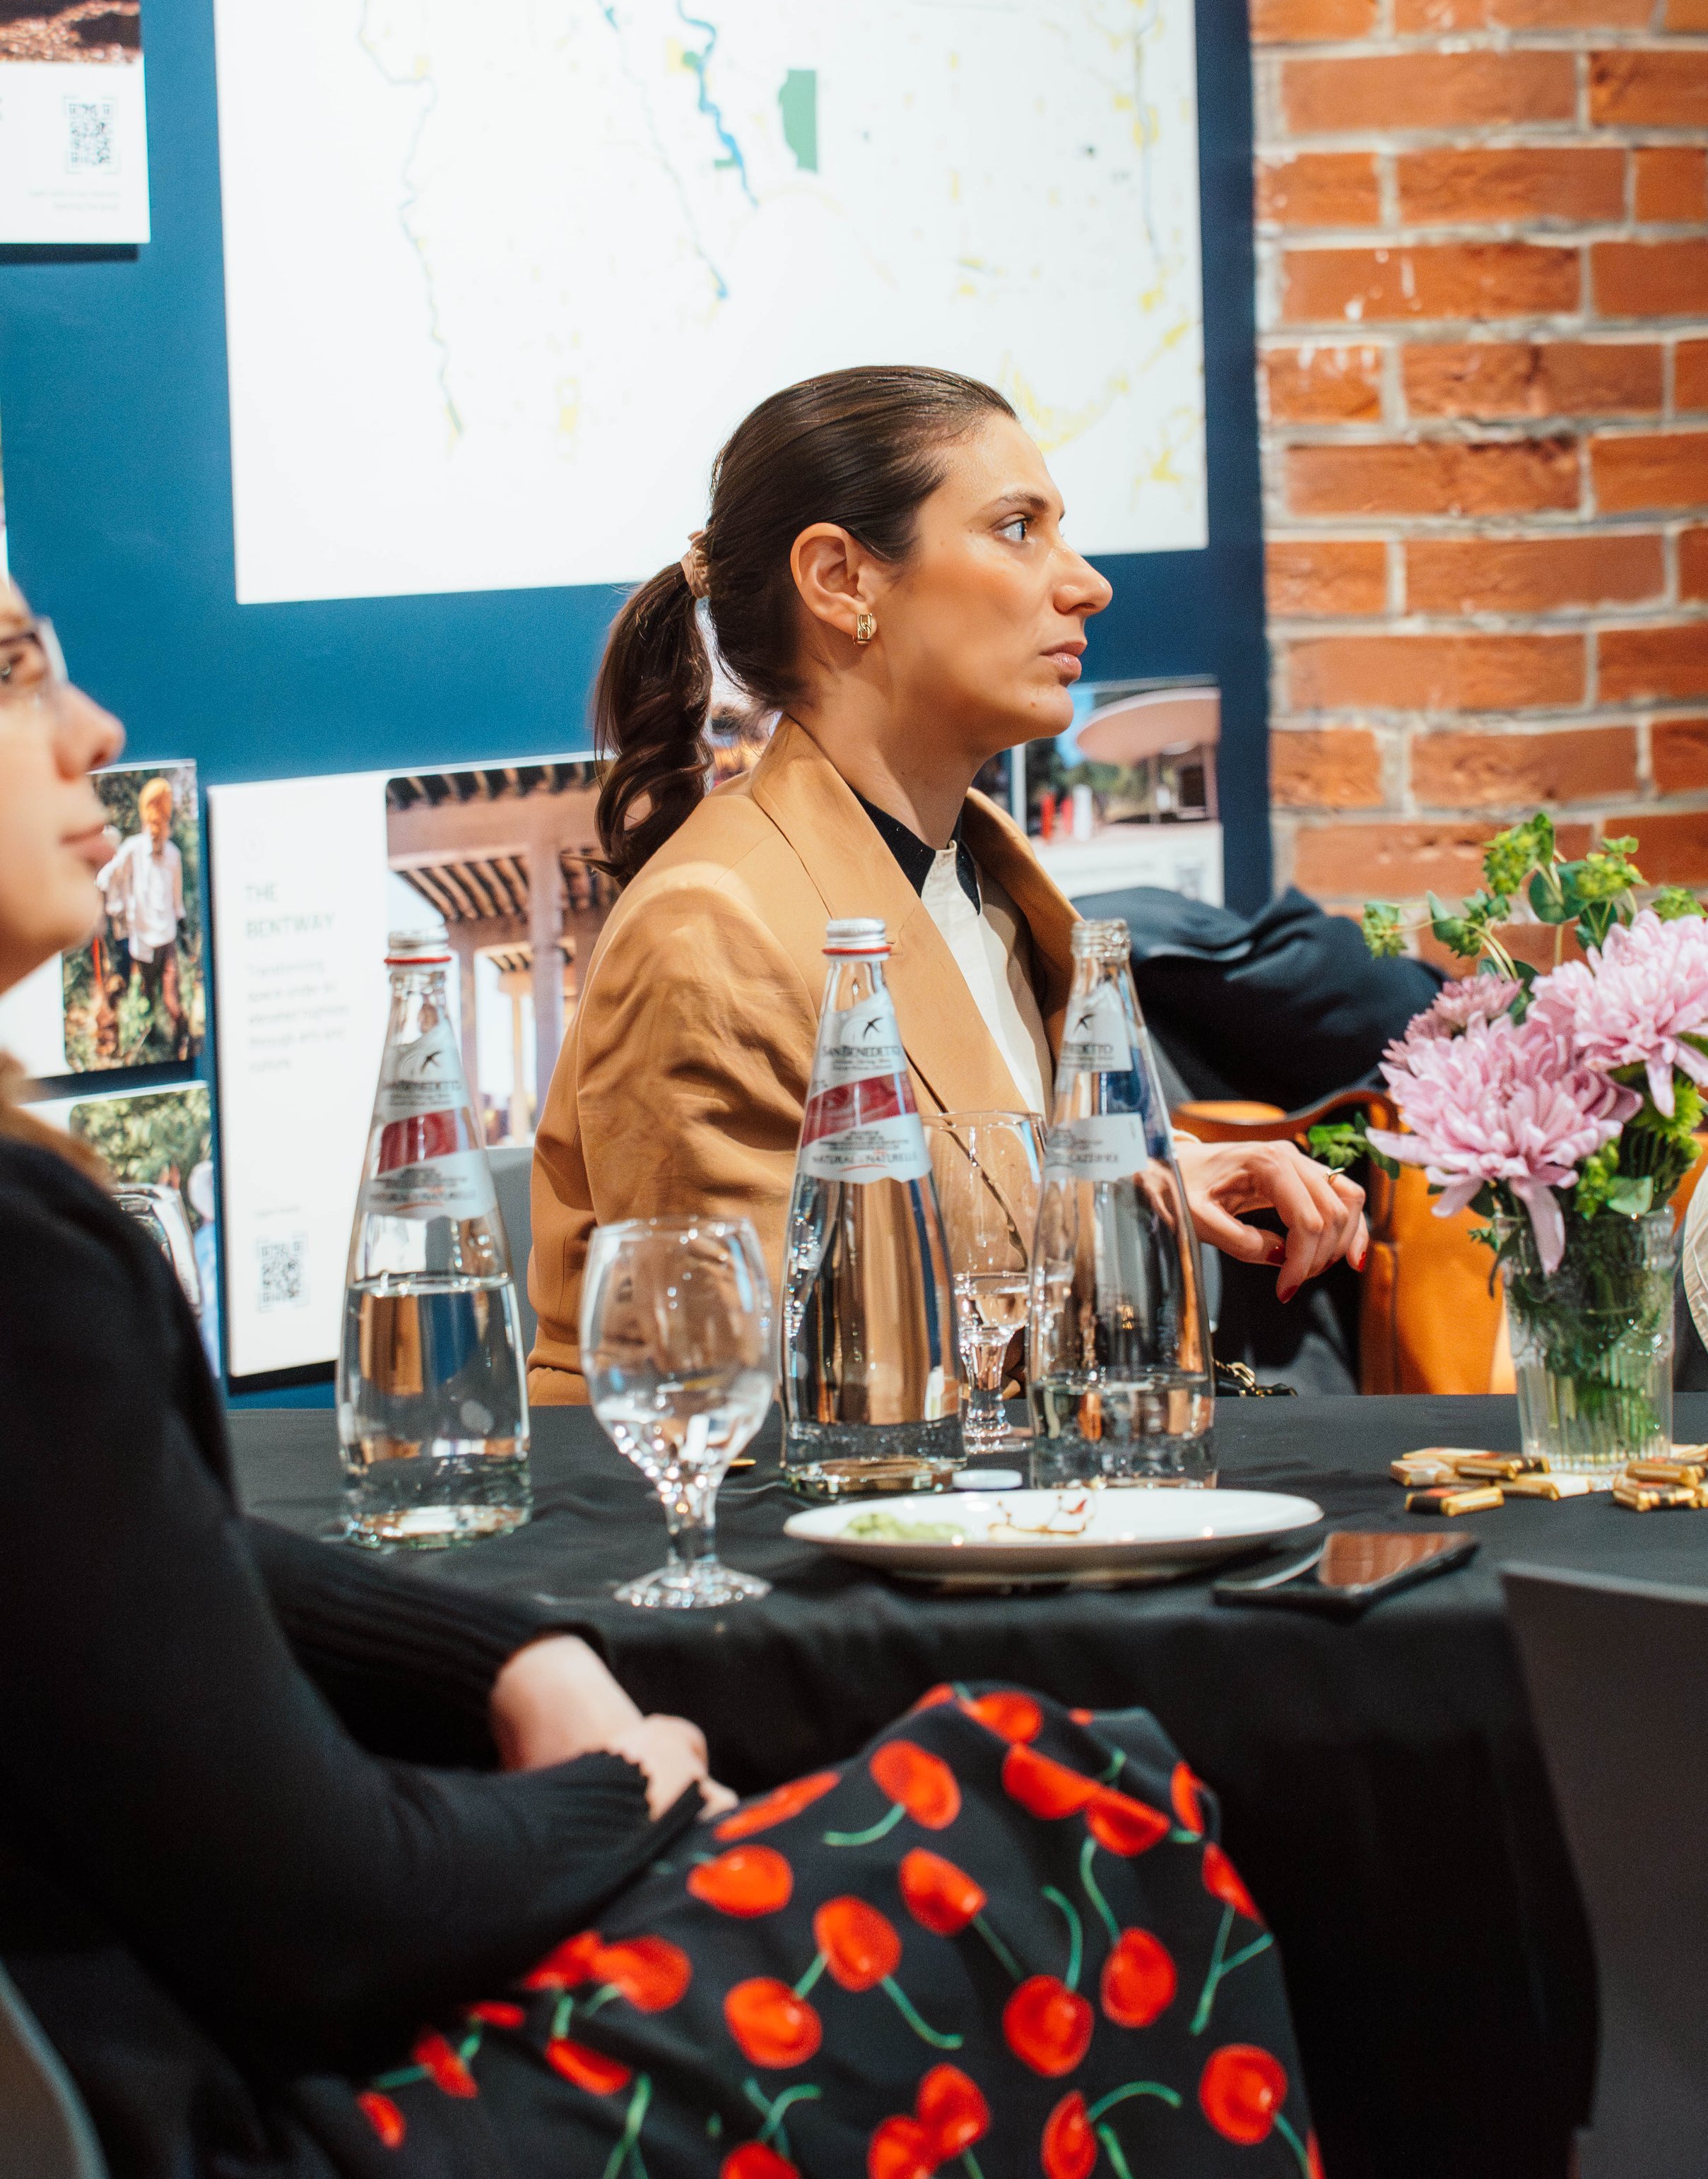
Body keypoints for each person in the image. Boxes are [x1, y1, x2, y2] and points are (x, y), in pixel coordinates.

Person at [0, 575, 1317, 2176]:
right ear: (845, 585)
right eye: (16, 667)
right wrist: (624, 1785)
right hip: (221, 2120)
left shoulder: (991, 880)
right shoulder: (30, 1254)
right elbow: (326, 1899)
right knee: (1068, 1806)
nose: (96, 727)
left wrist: (508, 1650)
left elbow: (110, 1567)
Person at [530, 366, 1366, 1396]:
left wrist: (1143, 1178)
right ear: (840, 577)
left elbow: (968, 1187)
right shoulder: (712, 930)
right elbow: (756, 1403)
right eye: (1018, 527)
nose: (1087, 583)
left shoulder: (981, 877)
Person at [97, 772, 192, 1056]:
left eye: (160, 822)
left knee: (172, 1000)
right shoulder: (132, 849)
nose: (156, 829)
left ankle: (183, 1044)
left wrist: (184, 932)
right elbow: (107, 876)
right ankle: (148, 1043)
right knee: (145, 995)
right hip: (143, 944)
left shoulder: (173, 855)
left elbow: (176, 900)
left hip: (167, 940)